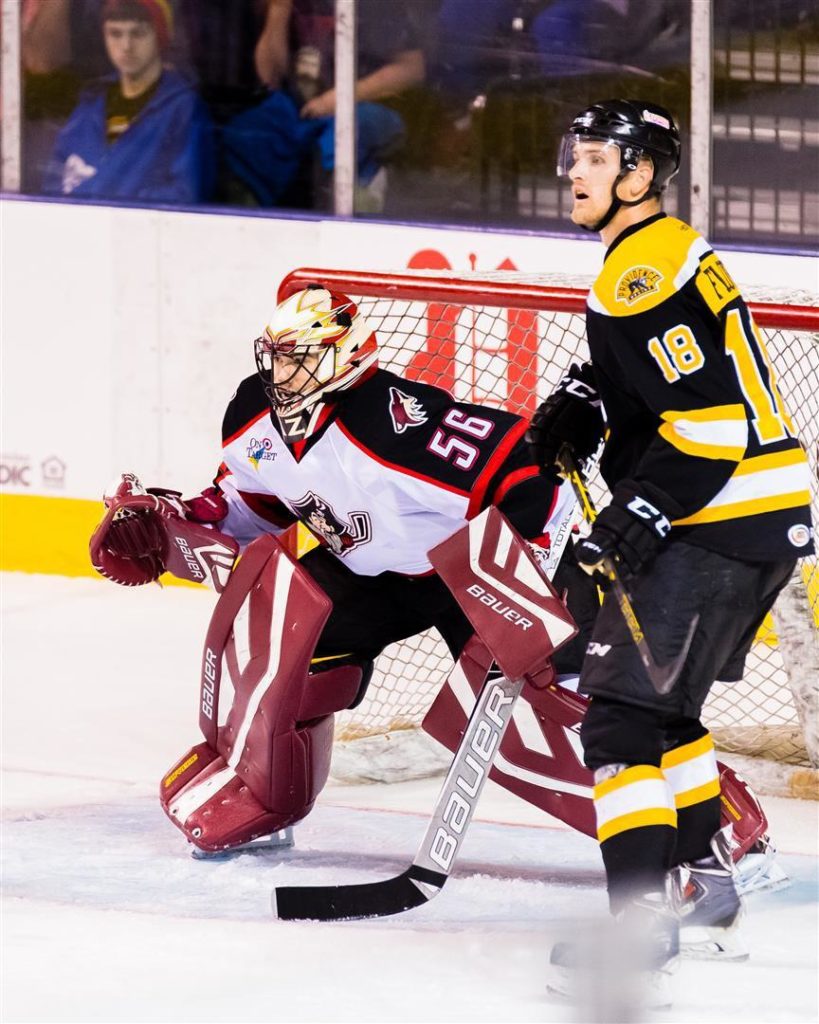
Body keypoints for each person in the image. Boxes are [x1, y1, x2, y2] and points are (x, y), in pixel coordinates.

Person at [90, 283, 596, 852]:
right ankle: (265, 796)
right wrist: (176, 519)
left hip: (466, 574)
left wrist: (527, 588)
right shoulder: (252, 413)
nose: (283, 372)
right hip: (370, 571)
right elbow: (254, 502)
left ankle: (670, 832)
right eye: (277, 356)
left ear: (347, 356)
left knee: (554, 711)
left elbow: (533, 479)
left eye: (301, 358)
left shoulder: (394, 426)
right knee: (283, 645)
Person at [527, 99, 815, 1001]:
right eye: (573, 153)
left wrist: (632, 518)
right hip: (760, 517)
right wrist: (586, 391)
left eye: (596, 157)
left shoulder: (638, 273)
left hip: (715, 521)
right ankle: (711, 899)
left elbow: (709, 424)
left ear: (641, 175)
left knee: (617, 719)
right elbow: (672, 376)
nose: (574, 170)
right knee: (663, 716)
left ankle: (639, 928)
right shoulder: (657, 252)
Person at [220, 0, 425, 208]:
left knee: (342, 138)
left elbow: (412, 69)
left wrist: (338, 99)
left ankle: (352, 210)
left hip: (363, 107)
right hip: (301, 112)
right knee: (248, 133)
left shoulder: (374, 6)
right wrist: (278, 13)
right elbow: (270, 78)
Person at [41, 0, 214, 203]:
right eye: (115, 33)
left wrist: (106, 200)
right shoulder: (90, 103)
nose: (126, 46)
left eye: (138, 33)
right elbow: (53, 183)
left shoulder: (184, 109)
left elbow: (186, 195)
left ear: (160, 37)